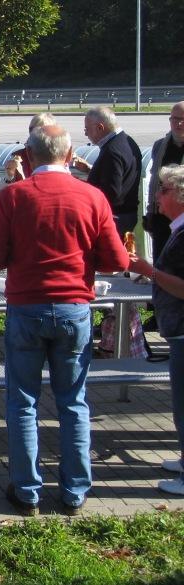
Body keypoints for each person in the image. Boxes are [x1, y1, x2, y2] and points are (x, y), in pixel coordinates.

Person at [0, 124, 129, 517]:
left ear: (28, 157)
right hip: (73, 307)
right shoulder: (92, 197)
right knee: (73, 403)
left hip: (27, 307)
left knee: (23, 402)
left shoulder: (13, 196)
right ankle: (74, 491)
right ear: (69, 155)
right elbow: (117, 260)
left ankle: (27, 491)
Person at [127, 164, 184, 496]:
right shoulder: (177, 229)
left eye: (162, 191)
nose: (157, 198)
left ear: (178, 195)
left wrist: (150, 270)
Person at [72, 106, 143, 237]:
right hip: (126, 214)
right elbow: (118, 177)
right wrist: (90, 169)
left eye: (87, 129)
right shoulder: (127, 141)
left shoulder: (112, 151)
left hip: (115, 219)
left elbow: (111, 193)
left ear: (100, 127)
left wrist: (78, 186)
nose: (86, 134)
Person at [143, 101, 184, 261]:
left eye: (182, 119)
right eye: (174, 119)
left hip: (181, 215)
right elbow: (154, 180)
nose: (178, 123)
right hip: (161, 216)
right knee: (160, 262)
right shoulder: (160, 146)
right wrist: (150, 211)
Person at [3, 113, 57, 183]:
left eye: (41, 130)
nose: (34, 133)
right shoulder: (20, 156)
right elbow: (12, 186)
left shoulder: (59, 155)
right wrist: (10, 175)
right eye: (32, 129)